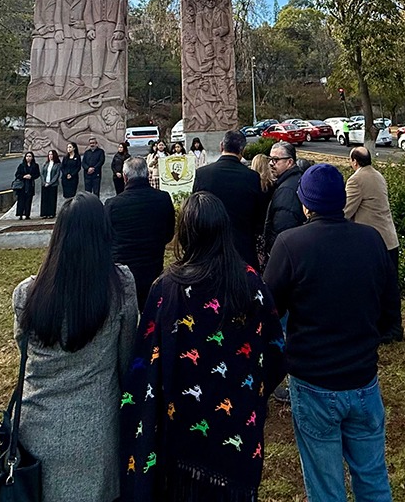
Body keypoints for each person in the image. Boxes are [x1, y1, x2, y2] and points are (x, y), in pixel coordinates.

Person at [120, 192, 285, 501]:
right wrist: (252, 390)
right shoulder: (250, 282)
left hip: (180, 427)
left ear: (185, 234)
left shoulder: (167, 287)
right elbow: (276, 349)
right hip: (236, 425)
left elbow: (143, 361)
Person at [264, 164, 396, 502]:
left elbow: (268, 308)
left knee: (325, 485)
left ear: (306, 206)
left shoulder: (291, 244)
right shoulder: (371, 240)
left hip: (314, 381)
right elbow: (385, 303)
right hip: (364, 377)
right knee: (373, 475)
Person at [13, 194, 137, 502]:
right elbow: (127, 356)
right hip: (95, 423)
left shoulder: (27, 293)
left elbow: (23, 350)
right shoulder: (120, 285)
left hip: (35, 423)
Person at [346, 146, 403, 343]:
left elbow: (346, 210)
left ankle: (380, 328)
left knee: (375, 286)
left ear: (354, 161)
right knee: (390, 286)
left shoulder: (356, 180)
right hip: (389, 238)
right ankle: (395, 327)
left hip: (373, 241)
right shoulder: (378, 175)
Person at [191, 129, 267, 267]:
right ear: (242, 150)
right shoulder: (252, 177)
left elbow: (194, 213)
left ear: (221, 146)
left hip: (209, 251)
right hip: (243, 250)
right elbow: (259, 217)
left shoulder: (203, 174)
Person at [107, 156, 176, 304]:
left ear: (125, 177)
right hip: (153, 266)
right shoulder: (163, 199)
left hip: (122, 273)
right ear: (148, 174)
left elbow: (107, 237)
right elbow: (169, 234)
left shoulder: (113, 205)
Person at [262, 141, 304, 264]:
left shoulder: (286, 190)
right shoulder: (290, 181)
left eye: (275, 160)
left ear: (289, 162)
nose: (270, 163)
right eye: (270, 159)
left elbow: (284, 229)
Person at [13, 151, 40, 221]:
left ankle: (27, 214)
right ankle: (20, 214)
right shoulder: (21, 165)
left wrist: (31, 176)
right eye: (27, 156)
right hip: (22, 185)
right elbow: (17, 175)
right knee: (21, 200)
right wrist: (24, 176)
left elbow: (37, 174)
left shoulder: (35, 165)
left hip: (30, 184)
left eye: (30, 156)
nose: (28, 158)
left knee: (28, 200)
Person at [41, 148, 62, 218]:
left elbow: (57, 174)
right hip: (44, 184)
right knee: (45, 199)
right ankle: (44, 213)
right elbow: (42, 173)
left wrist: (50, 183)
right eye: (49, 154)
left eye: (52, 154)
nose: (50, 156)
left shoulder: (57, 164)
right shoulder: (46, 164)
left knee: (52, 199)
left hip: (53, 184)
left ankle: (51, 213)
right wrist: (44, 182)